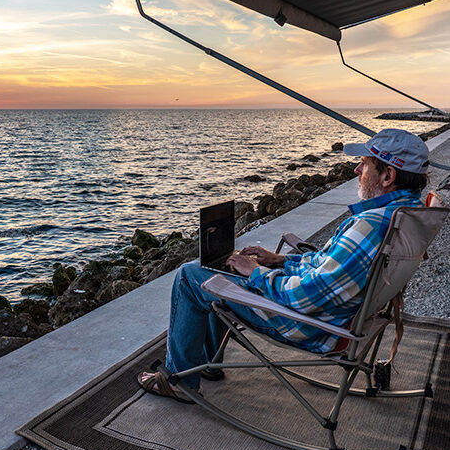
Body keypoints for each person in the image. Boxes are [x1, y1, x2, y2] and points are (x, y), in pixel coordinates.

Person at [138, 128, 430, 402]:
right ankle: (207, 364)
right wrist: (280, 260)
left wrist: (256, 273)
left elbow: (307, 296)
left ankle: (179, 382)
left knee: (191, 276)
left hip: (311, 325)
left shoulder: (370, 225)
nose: (356, 170)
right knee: (222, 271)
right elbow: (329, 269)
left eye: (365, 164)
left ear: (388, 175)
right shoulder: (407, 215)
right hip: (343, 315)